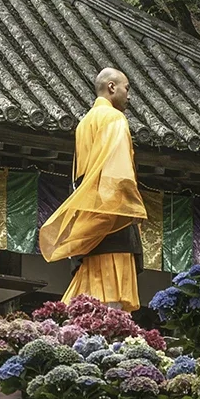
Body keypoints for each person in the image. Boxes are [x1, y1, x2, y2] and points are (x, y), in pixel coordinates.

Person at [38, 67, 148, 307]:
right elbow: (118, 174)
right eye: (126, 89)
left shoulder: (84, 123)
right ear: (111, 87)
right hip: (110, 214)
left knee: (87, 292)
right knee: (112, 296)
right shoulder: (114, 118)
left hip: (88, 214)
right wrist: (133, 207)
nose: (129, 96)